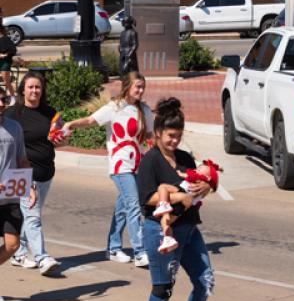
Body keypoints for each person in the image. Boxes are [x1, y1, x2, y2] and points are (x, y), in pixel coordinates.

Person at [137, 97, 214, 301]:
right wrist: (179, 197)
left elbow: (196, 187)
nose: (174, 141)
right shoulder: (150, 160)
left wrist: (206, 187)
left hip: (189, 228)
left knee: (205, 281)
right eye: (170, 136)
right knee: (163, 287)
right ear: (158, 133)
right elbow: (147, 197)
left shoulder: (184, 158)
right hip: (162, 231)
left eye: (178, 136)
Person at [63, 72, 153, 267]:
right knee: (134, 205)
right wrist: (70, 124)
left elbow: (150, 136)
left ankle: (113, 248)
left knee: (123, 207)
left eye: (142, 87)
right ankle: (139, 252)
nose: (140, 90)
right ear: (128, 86)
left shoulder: (144, 110)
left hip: (137, 164)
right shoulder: (114, 108)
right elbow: (90, 120)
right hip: (120, 165)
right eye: (137, 86)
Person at [5, 72, 62, 276]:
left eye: (38, 87)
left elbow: (59, 135)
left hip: (46, 171)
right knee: (32, 216)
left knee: (29, 215)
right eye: (30, 87)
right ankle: (42, 257)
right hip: (22, 172)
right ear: (22, 90)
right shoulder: (13, 113)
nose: (34, 91)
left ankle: (19, 253)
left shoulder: (50, 112)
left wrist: (61, 139)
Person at [0, 85, 36, 301]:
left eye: (3, 99)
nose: (1, 104)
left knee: (13, 245)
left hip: (10, 197)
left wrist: (30, 185)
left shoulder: (14, 128)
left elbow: (21, 160)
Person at [153, 160, 222, 254]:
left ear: (206, 177)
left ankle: (163, 205)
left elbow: (188, 176)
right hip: (183, 207)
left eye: (199, 169)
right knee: (167, 221)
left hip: (181, 194)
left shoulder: (198, 180)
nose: (196, 169)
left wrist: (180, 173)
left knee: (163, 187)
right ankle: (168, 238)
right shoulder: (204, 189)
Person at [0, 25, 17, 100]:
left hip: (5, 62)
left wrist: (4, 55)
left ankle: (13, 98)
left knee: (6, 81)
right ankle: (3, 95)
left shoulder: (6, 39)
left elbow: (13, 50)